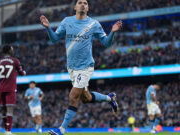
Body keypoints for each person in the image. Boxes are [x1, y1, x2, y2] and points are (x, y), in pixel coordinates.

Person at [40, 0, 122, 134]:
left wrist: (112, 32)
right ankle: (109, 98)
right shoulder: (67, 21)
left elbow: (107, 43)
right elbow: (54, 39)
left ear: (88, 7)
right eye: (80, 2)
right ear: (75, 7)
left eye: (85, 3)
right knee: (86, 98)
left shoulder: (94, 24)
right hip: (72, 67)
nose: (83, 4)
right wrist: (48, 28)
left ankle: (61, 130)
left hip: (85, 67)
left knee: (73, 96)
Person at [0, 45, 26, 135]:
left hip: (0, 88)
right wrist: (24, 72)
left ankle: (6, 130)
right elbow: (22, 73)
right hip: (10, 88)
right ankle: (8, 131)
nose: (13, 50)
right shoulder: (15, 60)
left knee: (3, 109)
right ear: (9, 51)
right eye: (12, 49)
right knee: (10, 109)